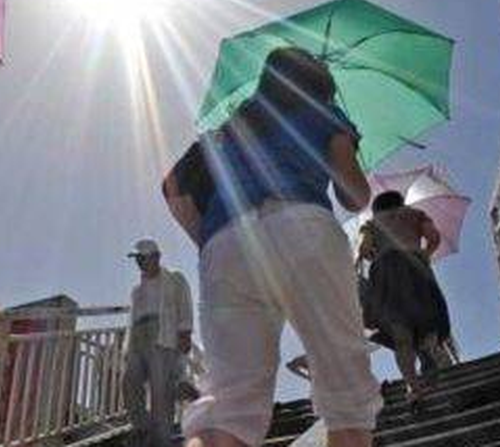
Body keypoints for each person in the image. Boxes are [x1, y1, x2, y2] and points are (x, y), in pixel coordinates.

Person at [163, 47, 382, 447]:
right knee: (346, 393)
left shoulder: (228, 129)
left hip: (227, 243)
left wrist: (208, 240)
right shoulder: (324, 113)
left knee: (228, 405)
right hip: (303, 226)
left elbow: (172, 188)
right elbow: (355, 196)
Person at [356, 191, 451, 403]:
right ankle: (428, 345)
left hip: (386, 272)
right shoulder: (416, 214)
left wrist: (373, 253)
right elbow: (434, 238)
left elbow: (363, 249)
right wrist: (425, 254)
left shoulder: (371, 223)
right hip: (415, 265)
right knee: (427, 319)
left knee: (401, 335)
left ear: (377, 208)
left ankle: (413, 387)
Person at [123, 238, 195, 447]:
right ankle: (142, 429)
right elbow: (131, 319)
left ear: (156, 257)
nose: (139, 263)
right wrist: (127, 347)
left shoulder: (174, 278)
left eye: (143, 258)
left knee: (161, 389)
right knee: (129, 382)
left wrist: (185, 332)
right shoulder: (136, 290)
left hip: (162, 334)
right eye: (137, 259)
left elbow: (185, 305)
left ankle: (161, 440)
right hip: (137, 335)